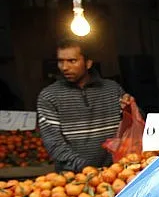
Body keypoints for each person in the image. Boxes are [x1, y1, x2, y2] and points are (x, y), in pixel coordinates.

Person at [36, 39, 134, 171]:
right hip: (73, 182)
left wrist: (130, 108)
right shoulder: (49, 97)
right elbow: (54, 144)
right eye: (61, 61)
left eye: (72, 61)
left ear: (88, 63)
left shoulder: (112, 89)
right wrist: (88, 170)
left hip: (116, 174)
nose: (64, 67)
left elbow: (133, 129)